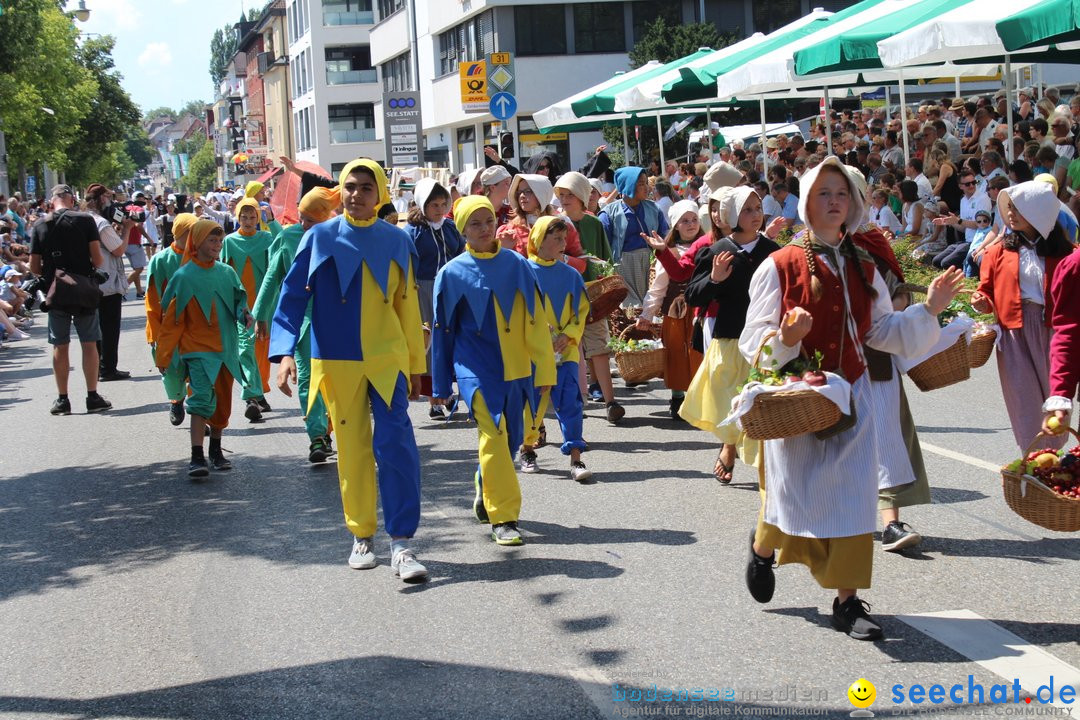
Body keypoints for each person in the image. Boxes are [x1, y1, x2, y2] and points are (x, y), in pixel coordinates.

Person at [740, 156, 962, 640]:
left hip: (854, 393)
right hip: (801, 397)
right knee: (794, 492)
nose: (835, 201)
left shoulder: (864, 263)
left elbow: (881, 329)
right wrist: (785, 337)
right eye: (824, 193)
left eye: (842, 193)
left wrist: (930, 310)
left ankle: (847, 602)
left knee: (855, 496)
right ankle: (761, 548)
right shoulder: (779, 264)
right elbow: (752, 341)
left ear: (855, 202)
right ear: (806, 202)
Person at [270, 159, 429, 582]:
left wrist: (416, 365)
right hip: (336, 360)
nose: (357, 194)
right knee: (353, 449)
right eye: (351, 187)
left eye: (366, 187)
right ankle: (362, 533)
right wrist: (284, 353)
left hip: (386, 359)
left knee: (396, 444)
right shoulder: (318, 237)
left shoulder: (397, 241)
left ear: (380, 194)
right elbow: (290, 300)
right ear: (341, 192)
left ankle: (402, 543)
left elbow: (407, 308)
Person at [431, 195, 556, 546]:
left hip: (517, 369)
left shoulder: (519, 265)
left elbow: (536, 322)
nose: (485, 229)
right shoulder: (450, 274)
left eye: (488, 221)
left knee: (510, 440)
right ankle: (504, 517)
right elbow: (443, 334)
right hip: (475, 369)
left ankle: (486, 482)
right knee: (495, 432)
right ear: (463, 231)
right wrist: (441, 382)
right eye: (475, 224)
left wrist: (546, 371)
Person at [681, 186, 780, 484]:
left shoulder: (773, 251)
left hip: (766, 340)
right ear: (733, 215)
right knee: (731, 399)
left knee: (761, 400)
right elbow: (693, 296)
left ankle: (767, 464)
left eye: (758, 208)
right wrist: (714, 279)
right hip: (730, 337)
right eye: (747, 210)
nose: (755, 215)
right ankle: (728, 444)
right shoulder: (716, 251)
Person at [972, 181, 1075, 452]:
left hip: (1052, 329)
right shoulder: (997, 251)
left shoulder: (1067, 253)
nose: (1011, 214)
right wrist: (980, 302)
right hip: (1014, 332)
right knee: (1025, 402)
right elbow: (985, 291)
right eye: (1010, 209)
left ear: (1039, 211)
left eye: (1019, 208)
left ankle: (1054, 456)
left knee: (1055, 397)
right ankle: (1036, 458)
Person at [155, 219, 252, 478]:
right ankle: (196, 456)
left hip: (225, 350)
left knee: (222, 405)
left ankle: (216, 450)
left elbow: (239, 303)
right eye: (212, 240)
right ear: (196, 242)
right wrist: (164, 353)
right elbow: (172, 321)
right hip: (197, 351)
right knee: (199, 402)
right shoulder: (183, 276)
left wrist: (246, 315)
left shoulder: (226, 273)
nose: (217, 245)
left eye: (219, 241)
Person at [253, 188, 338, 463]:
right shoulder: (288, 237)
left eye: (311, 221)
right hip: (302, 320)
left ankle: (332, 429)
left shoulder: (340, 237)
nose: (303, 226)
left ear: (327, 219)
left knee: (335, 381)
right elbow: (273, 277)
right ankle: (316, 437)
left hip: (337, 321)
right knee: (306, 379)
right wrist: (259, 314)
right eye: (301, 217)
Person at [29, 184, 112, 416]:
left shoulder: (40, 225)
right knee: (89, 343)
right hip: (84, 288)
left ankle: (62, 399)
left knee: (60, 344)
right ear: (70, 200)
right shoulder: (85, 221)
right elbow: (97, 260)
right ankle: (92, 396)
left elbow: (34, 266)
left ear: (52, 200)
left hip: (56, 291)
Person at [519, 216, 591, 481]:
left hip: (566, 350)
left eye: (564, 239)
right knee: (533, 401)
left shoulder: (571, 275)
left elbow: (581, 312)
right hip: (534, 352)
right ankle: (527, 448)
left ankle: (576, 457)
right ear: (539, 240)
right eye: (556, 239)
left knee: (570, 399)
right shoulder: (523, 272)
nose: (563, 244)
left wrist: (569, 334)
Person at [552, 172, 624, 424]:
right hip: (564, 295)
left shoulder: (594, 223)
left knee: (599, 346)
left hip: (593, 294)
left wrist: (608, 284)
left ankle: (611, 401)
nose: (564, 199)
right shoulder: (555, 223)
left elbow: (605, 257)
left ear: (582, 196)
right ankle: (575, 400)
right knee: (571, 349)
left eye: (570, 194)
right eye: (561, 195)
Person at [637, 200, 705, 418]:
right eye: (684, 221)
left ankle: (699, 398)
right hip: (675, 313)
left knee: (698, 354)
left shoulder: (705, 247)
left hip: (699, 310)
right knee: (675, 354)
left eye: (694, 219)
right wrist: (647, 313)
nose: (690, 224)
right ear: (675, 225)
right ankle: (678, 398)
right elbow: (658, 286)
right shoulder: (669, 251)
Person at [406, 178, 464, 420]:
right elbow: (407, 263)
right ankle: (434, 399)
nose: (440, 209)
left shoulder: (450, 228)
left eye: (443, 203)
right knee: (429, 341)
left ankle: (448, 392)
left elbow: (461, 253)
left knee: (450, 336)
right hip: (424, 288)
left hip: (449, 287)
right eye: (434, 205)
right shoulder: (413, 232)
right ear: (422, 205)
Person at [222, 198, 276, 422]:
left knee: (263, 352)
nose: (248, 221)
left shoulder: (267, 238)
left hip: (265, 304)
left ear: (258, 218)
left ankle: (259, 389)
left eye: (252, 216)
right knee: (245, 348)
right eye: (243, 217)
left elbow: (280, 255)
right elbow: (224, 271)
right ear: (237, 217)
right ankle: (251, 396)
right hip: (241, 306)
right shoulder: (230, 241)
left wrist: (272, 221)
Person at [145, 212, 198, 426]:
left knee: (200, 371)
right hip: (169, 325)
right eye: (191, 234)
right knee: (172, 371)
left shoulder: (202, 257)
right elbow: (153, 296)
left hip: (198, 325)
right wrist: (155, 330)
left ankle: (200, 414)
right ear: (179, 233)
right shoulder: (160, 260)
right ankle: (176, 400)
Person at [599, 167, 669, 308]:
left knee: (652, 306)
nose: (647, 188)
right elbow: (602, 247)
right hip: (623, 269)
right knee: (629, 309)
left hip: (650, 268)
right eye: (641, 184)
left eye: (646, 183)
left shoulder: (654, 209)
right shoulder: (608, 214)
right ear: (629, 185)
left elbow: (666, 236)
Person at [84, 184, 133, 383]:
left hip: (88, 282)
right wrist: (127, 230)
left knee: (94, 329)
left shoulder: (83, 219)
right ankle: (108, 368)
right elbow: (119, 250)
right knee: (109, 328)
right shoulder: (101, 223)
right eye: (108, 197)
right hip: (106, 283)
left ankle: (95, 367)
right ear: (101, 199)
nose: (111, 202)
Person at [496, 174, 585, 271]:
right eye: (520, 192)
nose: (522, 196)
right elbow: (497, 271)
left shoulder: (562, 226)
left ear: (541, 193)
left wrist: (560, 257)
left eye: (528, 191)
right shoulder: (507, 230)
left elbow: (581, 265)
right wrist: (502, 251)